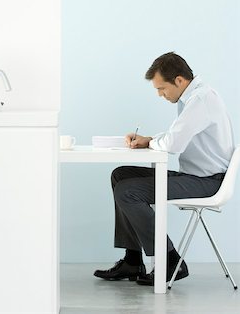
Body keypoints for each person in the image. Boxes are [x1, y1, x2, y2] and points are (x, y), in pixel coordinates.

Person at [94, 52, 234, 286]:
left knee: (127, 191)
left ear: (179, 80)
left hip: (208, 181)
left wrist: (150, 142)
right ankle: (132, 260)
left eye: (162, 88)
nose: (160, 94)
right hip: (195, 176)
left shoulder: (200, 100)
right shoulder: (194, 98)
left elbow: (173, 144)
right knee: (121, 175)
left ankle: (170, 261)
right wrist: (149, 139)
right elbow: (175, 136)